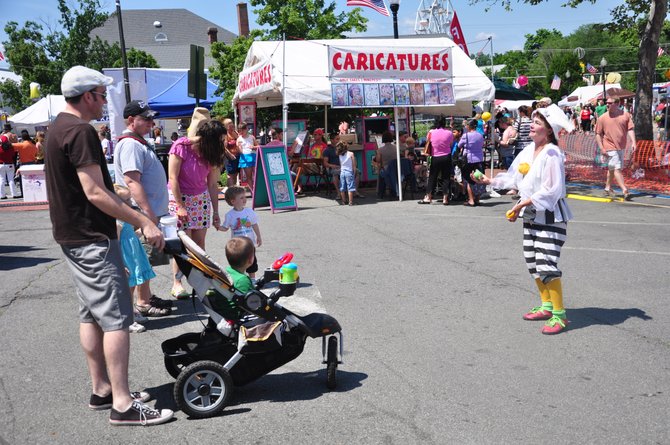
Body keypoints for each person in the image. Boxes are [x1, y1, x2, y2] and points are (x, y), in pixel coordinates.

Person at [44, 65, 173, 425]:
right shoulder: (81, 131)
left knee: (91, 314)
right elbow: (94, 192)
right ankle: (122, 405)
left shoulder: (57, 127)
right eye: (102, 96)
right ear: (87, 96)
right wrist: (143, 221)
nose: (105, 102)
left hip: (72, 235)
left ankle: (102, 389)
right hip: (91, 237)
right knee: (117, 318)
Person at [472, 104, 574, 335]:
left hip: (550, 215)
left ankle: (560, 315)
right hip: (531, 214)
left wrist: (521, 204)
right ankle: (547, 306)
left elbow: (552, 190)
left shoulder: (552, 153)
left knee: (547, 264)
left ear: (548, 131)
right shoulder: (529, 150)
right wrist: (488, 181)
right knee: (532, 262)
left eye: (537, 123)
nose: (532, 125)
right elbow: (513, 177)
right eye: (534, 121)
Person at [113, 100, 172, 312]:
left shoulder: (137, 142)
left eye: (151, 118)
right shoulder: (130, 144)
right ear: (131, 120)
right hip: (142, 214)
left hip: (147, 213)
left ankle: (145, 297)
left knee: (145, 259)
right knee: (140, 259)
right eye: (145, 119)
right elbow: (132, 181)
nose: (151, 122)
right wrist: (148, 215)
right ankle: (143, 303)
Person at [168, 117, 225, 296]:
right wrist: (180, 206)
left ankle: (200, 282)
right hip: (179, 197)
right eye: (221, 141)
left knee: (199, 244)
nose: (223, 144)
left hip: (200, 199)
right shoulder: (181, 146)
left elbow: (213, 185)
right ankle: (177, 283)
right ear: (210, 139)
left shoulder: (212, 154)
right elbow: (173, 178)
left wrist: (216, 212)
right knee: (183, 244)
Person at [114, 184, 160, 333]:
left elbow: (130, 234)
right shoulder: (117, 221)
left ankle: (131, 311)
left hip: (134, 254)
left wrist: (140, 232)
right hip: (126, 257)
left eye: (129, 199)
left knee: (132, 285)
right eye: (126, 200)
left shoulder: (125, 217)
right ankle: (126, 319)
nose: (130, 203)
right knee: (127, 287)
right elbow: (116, 243)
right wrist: (120, 263)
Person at [595, 97, 635, 200]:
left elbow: (630, 129)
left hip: (621, 146)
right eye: (606, 103)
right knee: (617, 168)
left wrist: (634, 142)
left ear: (617, 103)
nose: (607, 105)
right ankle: (625, 190)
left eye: (610, 103)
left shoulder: (625, 115)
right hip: (609, 146)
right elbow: (598, 134)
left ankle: (607, 188)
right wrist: (602, 148)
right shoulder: (602, 118)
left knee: (612, 168)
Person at [220, 186, 262, 279]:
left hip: (250, 243)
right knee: (239, 263)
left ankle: (252, 279)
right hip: (238, 245)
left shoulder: (249, 212)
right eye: (241, 197)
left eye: (245, 197)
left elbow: (254, 224)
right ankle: (239, 278)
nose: (244, 199)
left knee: (252, 262)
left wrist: (258, 236)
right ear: (233, 201)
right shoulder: (230, 215)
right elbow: (225, 227)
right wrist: (218, 227)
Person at [418, 116, 454, 205]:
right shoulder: (449, 133)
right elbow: (450, 144)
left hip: (435, 157)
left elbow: (428, 142)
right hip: (447, 156)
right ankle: (445, 197)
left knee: (432, 177)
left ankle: (428, 196)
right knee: (446, 177)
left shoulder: (431, 132)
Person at [458, 119, 485, 207]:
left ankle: (471, 200)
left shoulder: (466, 135)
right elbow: (482, 145)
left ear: (469, 126)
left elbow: (459, 145)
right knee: (478, 178)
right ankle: (477, 198)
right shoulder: (480, 135)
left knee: (469, 180)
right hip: (479, 159)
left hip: (469, 159)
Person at [374, 131, 398, 199]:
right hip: (396, 170)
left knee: (380, 174)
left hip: (386, 170)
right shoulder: (396, 148)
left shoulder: (380, 150)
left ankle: (381, 192)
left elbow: (378, 160)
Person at [236, 122, 258, 191]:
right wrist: (239, 147)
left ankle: (257, 191)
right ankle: (252, 192)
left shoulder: (252, 137)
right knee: (249, 177)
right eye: (239, 130)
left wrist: (253, 147)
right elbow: (239, 151)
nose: (241, 132)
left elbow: (258, 146)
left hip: (253, 157)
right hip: (245, 158)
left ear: (247, 129)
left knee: (257, 175)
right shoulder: (239, 139)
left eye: (243, 130)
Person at [336, 141, 357, 206]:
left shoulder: (339, 155)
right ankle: (350, 202)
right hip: (349, 172)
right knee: (350, 187)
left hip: (342, 172)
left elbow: (341, 164)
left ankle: (343, 201)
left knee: (342, 187)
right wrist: (354, 172)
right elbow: (354, 166)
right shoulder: (351, 154)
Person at [0, 134, 19, 199]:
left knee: (2, 180)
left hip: (1, 164)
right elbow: (13, 155)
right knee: (11, 180)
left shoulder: (0, 148)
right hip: (9, 164)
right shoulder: (10, 147)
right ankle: (14, 194)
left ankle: (2, 195)